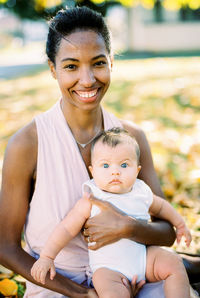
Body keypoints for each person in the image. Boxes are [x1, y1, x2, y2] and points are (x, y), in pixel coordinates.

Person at [0, 6, 199, 298]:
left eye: (97, 63)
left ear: (111, 62)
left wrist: (126, 227)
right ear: (52, 68)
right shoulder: (28, 143)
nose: (87, 79)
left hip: (134, 277)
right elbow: (5, 247)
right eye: (71, 66)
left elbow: (167, 231)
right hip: (59, 290)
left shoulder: (133, 138)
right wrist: (81, 294)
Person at [31, 127, 192, 298]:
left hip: (144, 260)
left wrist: (180, 224)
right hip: (109, 270)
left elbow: (161, 207)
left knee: (173, 263)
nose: (115, 171)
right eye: (105, 165)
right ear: (93, 171)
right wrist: (47, 256)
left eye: (124, 165)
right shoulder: (91, 198)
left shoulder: (140, 191)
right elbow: (66, 229)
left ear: (137, 170)